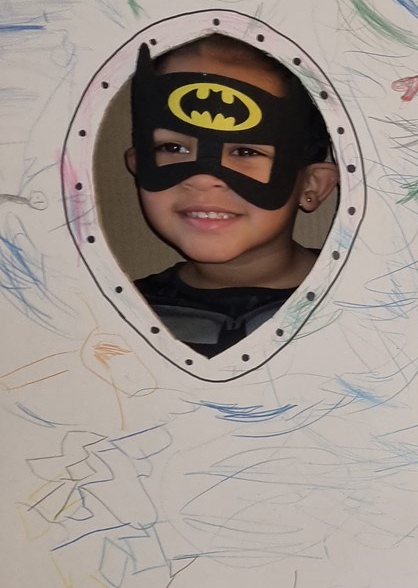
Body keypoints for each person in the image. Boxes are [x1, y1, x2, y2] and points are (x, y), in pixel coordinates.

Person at [124, 34, 337, 356]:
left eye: (245, 152)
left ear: (312, 185)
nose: (203, 179)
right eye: (174, 148)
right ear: (138, 166)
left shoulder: (374, 303)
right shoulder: (114, 314)